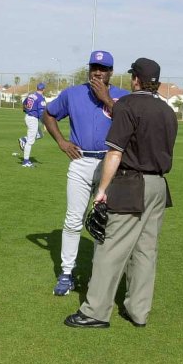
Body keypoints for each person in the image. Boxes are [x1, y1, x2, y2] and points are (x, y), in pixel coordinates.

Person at [64, 57, 178, 328]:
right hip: (159, 186)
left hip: (131, 183)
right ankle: (138, 311)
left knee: (110, 247)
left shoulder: (127, 104)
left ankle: (94, 312)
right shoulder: (167, 111)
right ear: (157, 83)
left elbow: (115, 152)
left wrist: (101, 190)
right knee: (145, 250)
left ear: (135, 80)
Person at [42, 50, 128, 295]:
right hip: (80, 162)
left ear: (111, 72)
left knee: (105, 222)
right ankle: (67, 273)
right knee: (72, 220)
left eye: (103, 68)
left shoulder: (122, 97)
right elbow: (49, 114)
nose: (98, 72)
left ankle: (99, 277)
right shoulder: (73, 93)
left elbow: (130, 124)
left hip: (110, 163)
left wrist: (106, 99)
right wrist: (61, 141)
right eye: (94, 67)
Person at [18, 82, 47, 167]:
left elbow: (24, 103)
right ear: (43, 89)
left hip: (28, 117)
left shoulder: (31, 95)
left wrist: (27, 111)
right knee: (30, 142)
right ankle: (25, 162)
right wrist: (45, 124)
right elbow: (41, 113)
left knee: (40, 135)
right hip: (33, 119)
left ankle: (24, 139)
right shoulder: (40, 98)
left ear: (37, 88)